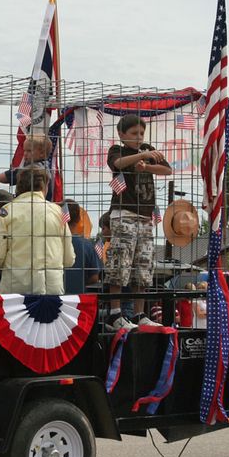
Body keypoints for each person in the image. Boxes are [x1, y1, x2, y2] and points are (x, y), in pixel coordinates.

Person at [104, 114, 172, 331]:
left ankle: (140, 313)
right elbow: (117, 163)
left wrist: (147, 166)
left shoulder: (148, 151)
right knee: (120, 263)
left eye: (141, 133)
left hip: (145, 216)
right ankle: (115, 313)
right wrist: (142, 155)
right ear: (122, 134)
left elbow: (167, 169)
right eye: (134, 133)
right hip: (124, 213)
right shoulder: (118, 150)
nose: (139, 137)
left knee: (143, 265)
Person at [0, 166, 74, 295]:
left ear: (19, 184)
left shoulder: (5, 212)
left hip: (16, 289)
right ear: (45, 185)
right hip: (51, 289)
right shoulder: (58, 212)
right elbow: (69, 259)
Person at [0, 134, 55, 201]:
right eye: (24, 150)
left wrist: (18, 171)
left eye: (29, 151)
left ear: (42, 153)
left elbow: (0, 177)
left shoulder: (31, 170)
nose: (25, 154)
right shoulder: (47, 168)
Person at [62, 199, 102, 294]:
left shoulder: (51, 242)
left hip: (53, 297)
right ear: (79, 218)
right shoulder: (88, 245)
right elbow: (94, 277)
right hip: (78, 298)